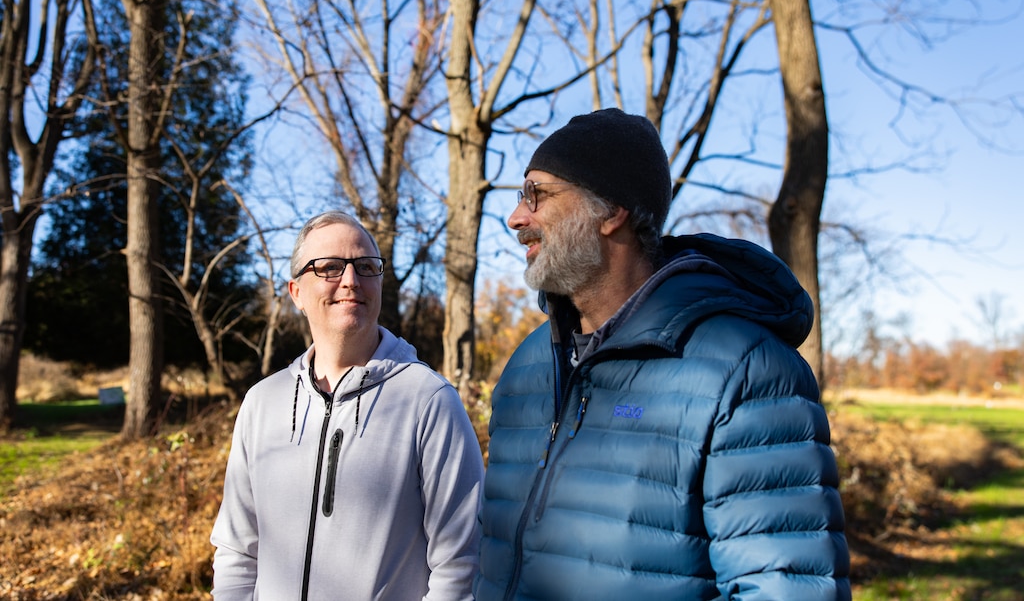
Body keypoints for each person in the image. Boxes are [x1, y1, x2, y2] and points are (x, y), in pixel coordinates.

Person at [474, 108, 851, 600]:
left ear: (612, 212)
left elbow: (788, 590)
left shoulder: (745, 371)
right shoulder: (528, 367)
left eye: (538, 195)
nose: (517, 217)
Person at [211, 211, 484, 601]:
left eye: (366, 267)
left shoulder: (428, 401)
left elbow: (461, 561)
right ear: (296, 293)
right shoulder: (262, 404)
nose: (351, 281)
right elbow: (238, 549)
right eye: (330, 268)